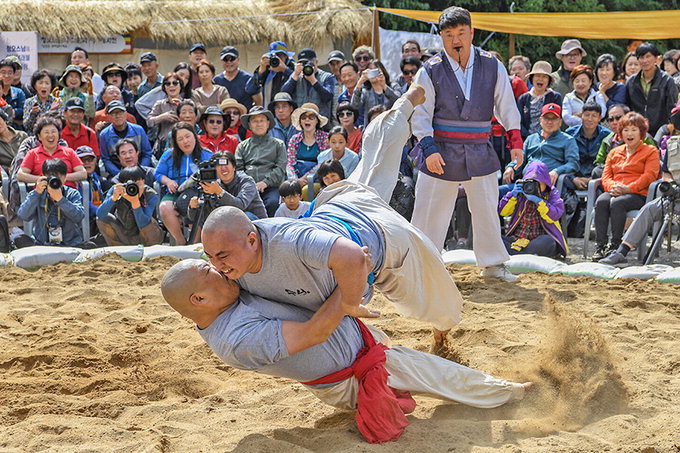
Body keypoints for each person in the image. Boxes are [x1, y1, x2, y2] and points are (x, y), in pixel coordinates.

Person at [202, 85, 464, 352]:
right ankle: (405, 104)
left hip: (383, 237)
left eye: (221, 257)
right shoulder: (229, 265)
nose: (217, 265)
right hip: (340, 203)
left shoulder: (291, 242)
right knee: (376, 156)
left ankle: (441, 333)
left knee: (435, 306)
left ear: (251, 240)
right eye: (211, 258)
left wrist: (349, 301)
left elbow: (354, 261)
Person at [160, 258, 532, 444]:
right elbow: (315, 332)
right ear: (199, 298)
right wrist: (350, 282)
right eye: (213, 272)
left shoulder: (228, 302)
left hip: (357, 347)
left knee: (425, 371)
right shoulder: (236, 339)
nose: (224, 270)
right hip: (350, 375)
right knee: (437, 375)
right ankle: (516, 395)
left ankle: (494, 392)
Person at [410, 6, 524, 282]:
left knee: (486, 207)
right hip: (441, 148)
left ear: (472, 33)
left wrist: (516, 141)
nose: (456, 40)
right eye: (449, 34)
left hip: (478, 147)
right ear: (441, 37)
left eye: (461, 33)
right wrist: (428, 149)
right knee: (430, 211)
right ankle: (422, 266)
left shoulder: (492, 65)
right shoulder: (430, 70)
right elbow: (420, 115)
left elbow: (506, 106)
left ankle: (494, 265)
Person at [592, 112, 660, 260]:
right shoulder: (614, 152)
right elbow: (606, 176)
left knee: (618, 203)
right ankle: (600, 246)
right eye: (626, 130)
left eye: (634, 130)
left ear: (641, 132)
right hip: (616, 190)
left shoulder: (651, 151)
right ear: (620, 133)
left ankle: (616, 246)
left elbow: (649, 176)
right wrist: (613, 187)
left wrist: (628, 188)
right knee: (601, 201)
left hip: (638, 193)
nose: (629, 134)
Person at [600, 149, 677, 266]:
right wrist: (673, 186)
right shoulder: (673, 144)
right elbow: (666, 173)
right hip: (673, 198)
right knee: (648, 209)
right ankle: (621, 252)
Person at [155, 122, 213, 245]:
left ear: (195, 136)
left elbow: (214, 176)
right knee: (165, 207)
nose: (185, 141)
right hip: (176, 192)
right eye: (180, 139)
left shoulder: (207, 155)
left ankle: (194, 244)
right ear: (175, 142)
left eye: (188, 136)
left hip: (198, 193)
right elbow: (158, 174)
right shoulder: (168, 155)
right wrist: (168, 181)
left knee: (198, 207)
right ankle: (180, 241)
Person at [502, 104, 579, 196]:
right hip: (524, 183)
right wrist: (511, 167)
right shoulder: (531, 138)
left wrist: (557, 171)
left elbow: (573, 163)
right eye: (546, 118)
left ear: (560, 122)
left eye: (553, 119)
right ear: (540, 120)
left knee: (537, 166)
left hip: (548, 186)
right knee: (496, 193)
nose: (549, 122)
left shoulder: (567, 140)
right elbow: (520, 159)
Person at [187, 151, 266, 235]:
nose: (223, 168)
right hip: (230, 227)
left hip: (257, 226)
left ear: (234, 167)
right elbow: (200, 218)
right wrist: (193, 207)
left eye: (226, 164)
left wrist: (219, 192)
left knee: (242, 216)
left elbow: (240, 205)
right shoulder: (214, 184)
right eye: (219, 165)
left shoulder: (246, 181)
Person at [499, 161, 567, 257]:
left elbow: (554, 216)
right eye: (530, 182)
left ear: (546, 183)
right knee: (494, 238)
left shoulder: (552, 193)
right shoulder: (520, 193)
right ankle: (524, 255)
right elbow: (503, 212)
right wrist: (512, 195)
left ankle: (515, 255)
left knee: (548, 242)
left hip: (538, 239)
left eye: (538, 183)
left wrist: (540, 202)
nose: (532, 187)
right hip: (517, 239)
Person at [17, 158, 85, 246]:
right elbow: (23, 215)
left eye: (58, 178)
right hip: (42, 244)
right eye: (51, 178)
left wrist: (61, 200)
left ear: (65, 178)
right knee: (19, 240)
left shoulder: (72, 193)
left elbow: (79, 217)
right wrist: (36, 193)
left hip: (69, 243)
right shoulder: (38, 193)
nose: (54, 182)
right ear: (44, 177)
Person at [234, 106, 286, 217]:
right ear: (249, 125)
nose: (259, 124)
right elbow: (238, 169)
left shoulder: (278, 145)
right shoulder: (242, 146)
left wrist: (265, 182)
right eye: (255, 121)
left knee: (272, 203)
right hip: (247, 187)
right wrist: (249, 183)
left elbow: (280, 168)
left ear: (268, 123)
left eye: (262, 120)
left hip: (271, 186)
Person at [97, 165, 163, 246]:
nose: (133, 187)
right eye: (130, 185)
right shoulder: (117, 190)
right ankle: (118, 250)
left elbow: (144, 223)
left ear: (143, 181)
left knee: (150, 222)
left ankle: (150, 251)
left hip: (147, 237)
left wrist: (135, 202)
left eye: (137, 183)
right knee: (103, 219)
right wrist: (113, 198)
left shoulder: (150, 194)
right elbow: (100, 214)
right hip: (124, 233)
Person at [625, 42, 679, 137]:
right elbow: (628, 106)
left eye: (648, 56)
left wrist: (669, 129)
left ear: (656, 58)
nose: (645, 60)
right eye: (641, 57)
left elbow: (672, 107)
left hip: (662, 131)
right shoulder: (631, 82)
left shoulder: (667, 80)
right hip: (637, 131)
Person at [17, 116, 86, 188]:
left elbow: (83, 173)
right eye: (46, 132)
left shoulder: (69, 152)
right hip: (42, 193)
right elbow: (20, 175)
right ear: (39, 136)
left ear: (59, 135)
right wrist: (44, 179)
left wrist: (61, 177)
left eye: (53, 132)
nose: (50, 135)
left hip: (67, 193)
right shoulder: (32, 154)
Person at [98, 100, 152, 177]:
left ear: (126, 114)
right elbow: (106, 159)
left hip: (140, 170)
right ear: (109, 117)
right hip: (117, 172)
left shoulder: (138, 130)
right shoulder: (104, 135)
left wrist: (140, 170)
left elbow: (147, 153)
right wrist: (119, 174)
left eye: (120, 112)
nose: (117, 116)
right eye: (113, 113)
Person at [565, 102, 611, 190]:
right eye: (587, 115)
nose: (590, 119)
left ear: (599, 118)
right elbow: (564, 159)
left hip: (597, 177)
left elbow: (607, 163)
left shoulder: (607, 136)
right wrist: (574, 178)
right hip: (574, 176)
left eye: (594, 116)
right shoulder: (570, 134)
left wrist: (591, 179)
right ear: (581, 115)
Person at [281, 48, 336, 123]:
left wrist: (313, 80)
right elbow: (283, 95)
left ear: (316, 62)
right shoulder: (296, 77)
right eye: (302, 63)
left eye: (307, 62)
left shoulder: (327, 77)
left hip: (321, 125)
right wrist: (295, 74)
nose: (305, 66)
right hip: (300, 125)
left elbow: (328, 97)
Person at [517, 61, 563, 140]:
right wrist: (531, 138)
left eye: (544, 76)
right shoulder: (524, 98)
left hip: (550, 140)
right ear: (532, 78)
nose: (540, 79)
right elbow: (518, 122)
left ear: (549, 80)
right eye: (537, 76)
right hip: (527, 140)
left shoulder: (555, 97)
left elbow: (558, 121)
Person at [286, 103, 330, 185]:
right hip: (297, 178)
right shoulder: (294, 139)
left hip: (318, 178)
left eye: (311, 117)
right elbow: (290, 163)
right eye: (303, 118)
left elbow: (323, 162)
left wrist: (306, 178)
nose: (307, 120)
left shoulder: (325, 138)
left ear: (317, 121)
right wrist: (296, 180)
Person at [351, 60, 399, 127]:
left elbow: (399, 102)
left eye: (376, 71)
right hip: (371, 130)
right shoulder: (365, 92)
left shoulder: (394, 86)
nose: (373, 74)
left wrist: (384, 86)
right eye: (370, 71)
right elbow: (354, 106)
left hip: (391, 128)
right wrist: (360, 82)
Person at [147, 72, 186, 155]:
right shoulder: (159, 104)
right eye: (168, 83)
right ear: (164, 87)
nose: (171, 86)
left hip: (183, 143)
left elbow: (196, 119)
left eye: (175, 83)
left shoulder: (187, 103)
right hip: (163, 146)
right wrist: (162, 117)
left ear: (180, 85)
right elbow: (149, 122)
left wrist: (182, 108)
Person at [213, 46, 261, 111]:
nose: (229, 62)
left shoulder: (248, 79)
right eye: (225, 59)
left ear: (238, 59)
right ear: (221, 61)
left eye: (232, 59)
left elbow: (258, 102)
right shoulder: (216, 80)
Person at [253, 41, 295, 109]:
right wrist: (260, 71)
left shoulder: (293, 68)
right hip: (269, 112)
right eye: (274, 55)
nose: (277, 59)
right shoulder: (267, 70)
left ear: (286, 56)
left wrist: (285, 70)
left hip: (287, 113)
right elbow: (249, 89)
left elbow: (300, 82)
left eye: (280, 55)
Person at [75, 145, 104, 235]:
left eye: (90, 159)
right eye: (83, 160)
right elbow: (84, 204)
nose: (87, 163)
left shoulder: (96, 178)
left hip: (97, 215)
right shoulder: (76, 181)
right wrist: (103, 211)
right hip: (83, 221)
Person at [23, 70, 62, 134]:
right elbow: (26, 126)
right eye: (40, 83)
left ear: (51, 86)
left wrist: (50, 111)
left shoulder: (57, 102)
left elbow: (60, 125)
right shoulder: (29, 102)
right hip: (34, 139)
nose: (44, 86)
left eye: (47, 83)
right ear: (35, 85)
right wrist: (32, 114)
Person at [0, 58, 26, 129]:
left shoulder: (19, 93)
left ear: (14, 75)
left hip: (15, 132)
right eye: (3, 72)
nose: (6, 76)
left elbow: (25, 110)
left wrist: (13, 112)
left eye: (10, 73)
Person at [0, 109, 27, 174]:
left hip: (27, 171)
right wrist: (6, 169)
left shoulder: (22, 135)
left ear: (5, 120)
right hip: (9, 176)